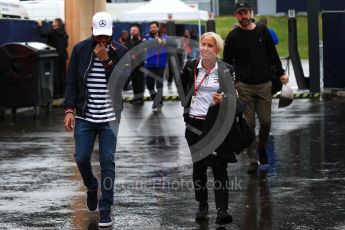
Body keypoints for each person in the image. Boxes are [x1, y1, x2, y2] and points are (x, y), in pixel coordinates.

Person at [63, 12, 127, 227]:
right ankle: (91, 186)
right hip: (85, 115)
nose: (102, 40)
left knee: (107, 161)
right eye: (98, 35)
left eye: (105, 36)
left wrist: (107, 61)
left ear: (112, 33)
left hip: (110, 117)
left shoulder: (121, 52)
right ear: (92, 31)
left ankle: (105, 208)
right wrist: (69, 109)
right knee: (81, 158)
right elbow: (71, 81)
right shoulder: (81, 50)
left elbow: (123, 85)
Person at [223, 1, 289, 174]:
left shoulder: (262, 30)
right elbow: (228, 63)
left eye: (245, 13)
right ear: (235, 16)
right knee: (249, 124)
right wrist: (230, 83)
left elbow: (272, 54)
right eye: (240, 13)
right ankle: (253, 159)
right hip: (244, 85)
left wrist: (281, 73)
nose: (243, 16)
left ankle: (261, 147)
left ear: (251, 13)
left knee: (266, 122)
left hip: (264, 84)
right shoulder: (233, 36)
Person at [180, 32, 233, 225]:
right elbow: (182, 91)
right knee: (199, 167)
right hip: (194, 124)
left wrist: (224, 100)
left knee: (219, 167)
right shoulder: (190, 67)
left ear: (217, 50)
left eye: (210, 45)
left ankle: (222, 210)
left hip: (216, 124)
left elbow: (235, 97)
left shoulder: (226, 69)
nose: (205, 48)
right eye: (203, 44)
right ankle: (202, 204)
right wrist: (187, 108)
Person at [37, 18, 68, 99]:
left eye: (53, 22)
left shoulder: (53, 31)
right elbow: (66, 44)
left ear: (57, 23)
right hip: (63, 55)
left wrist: (39, 25)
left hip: (55, 55)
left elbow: (43, 34)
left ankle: (56, 94)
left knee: (55, 75)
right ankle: (63, 93)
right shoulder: (64, 33)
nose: (52, 23)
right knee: (62, 74)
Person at [143, 21, 168, 111]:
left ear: (157, 28)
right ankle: (155, 100)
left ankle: (159, 102)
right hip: (149, 64)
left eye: (154, 27)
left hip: (160, 65)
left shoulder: (164, 36)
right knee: (149, 85)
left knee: (159, 85)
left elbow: (162, 43)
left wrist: (156, 38)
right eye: (151, 27)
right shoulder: (146, 37)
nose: (152, 29)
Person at [129, 24, 145, 105]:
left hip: (138, 64)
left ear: (138, 32)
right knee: (134, 82)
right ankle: (136, 97)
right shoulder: (131, 39)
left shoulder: (139, 40)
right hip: (132, 65)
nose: (132, 32)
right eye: (131, 30)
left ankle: (140, 99)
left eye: (134, 30)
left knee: (139, 82)